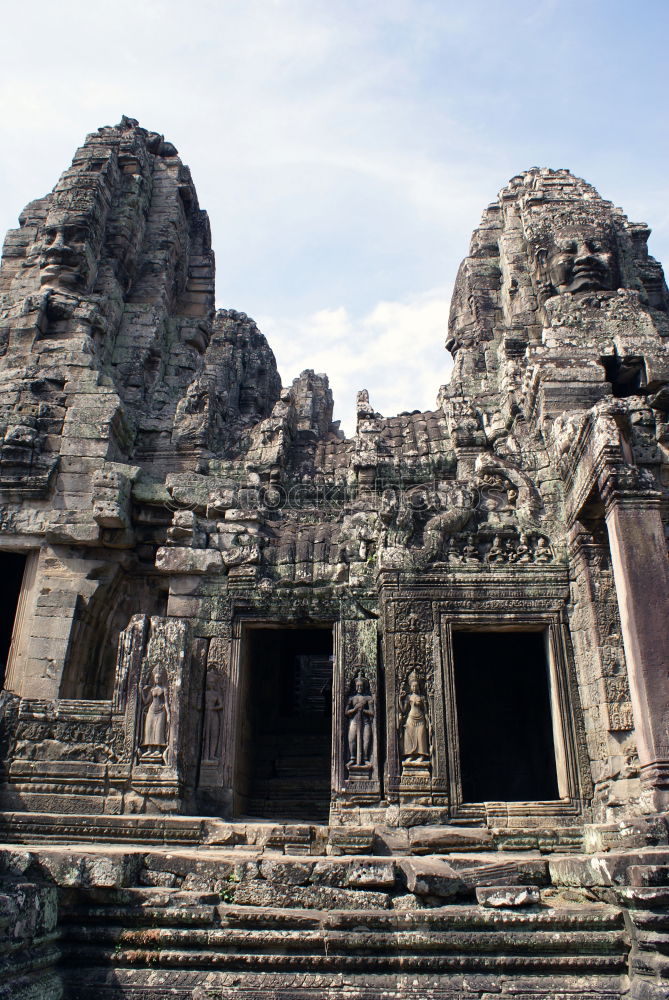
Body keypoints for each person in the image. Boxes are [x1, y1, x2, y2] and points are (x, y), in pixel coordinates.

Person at [399, 671, 430, 762]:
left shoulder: (422, 698)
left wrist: (428, 721)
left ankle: (421, 755)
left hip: (420, 719)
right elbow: (404, 710)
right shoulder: (408, 697)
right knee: (410, 736)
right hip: (411, 719)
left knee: (420, 737)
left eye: (416, 686)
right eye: (413, 686)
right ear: (410, 687)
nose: (414, 687)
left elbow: (425, 711)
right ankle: (411, 754)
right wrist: (400, 700)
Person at [140, 666, 170, 760]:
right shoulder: (152, 690)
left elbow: (166, 703)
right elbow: (146, 701)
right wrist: (141, 690)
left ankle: (157, 748)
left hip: (161, 711)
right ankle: (149, 748)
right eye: (156, 677)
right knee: (149, 729)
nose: (157, 679)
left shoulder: (164, 689)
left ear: (162, 678)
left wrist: (168, 713)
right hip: (151, 710)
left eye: (159, 678)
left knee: (158, 730)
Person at [345, 673, 374, 767]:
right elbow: (346, 712)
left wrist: (364, 710)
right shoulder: (351, 698)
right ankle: (353, 757)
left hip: (365, 722)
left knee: (366, 740)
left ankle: (365, 758)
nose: (359, 687)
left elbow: (372, 713)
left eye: (361, 686)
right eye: (357, 686)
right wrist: (354, 709)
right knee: (351, 739)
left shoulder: (368, 698)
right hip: (354, 721)